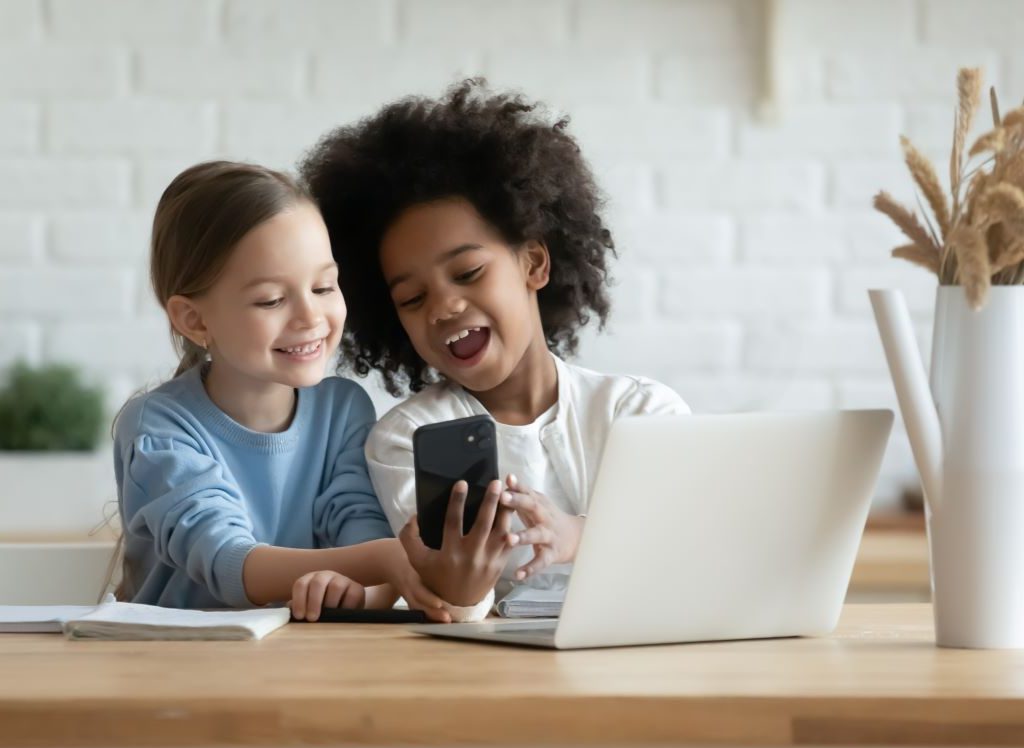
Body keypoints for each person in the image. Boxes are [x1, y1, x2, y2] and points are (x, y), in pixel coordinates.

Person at [300, 80, 690, 612]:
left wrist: (579, 536)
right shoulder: (407, 440)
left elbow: (691, 552)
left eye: (467, 272)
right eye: (412, 298)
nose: (443, 307)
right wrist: (456, 588)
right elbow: (449, 610)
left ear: (534, 263)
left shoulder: (642, 411)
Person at [113, 161, 450, 621]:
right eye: (272, 299)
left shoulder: (342, 410)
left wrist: (355, 594)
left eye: (324, 287)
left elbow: (362, 532)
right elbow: (226, 562)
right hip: (177, 657)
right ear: (194, 320)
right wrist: (383, 559)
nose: (310, 317)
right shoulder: (157, 426)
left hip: (298, 656)